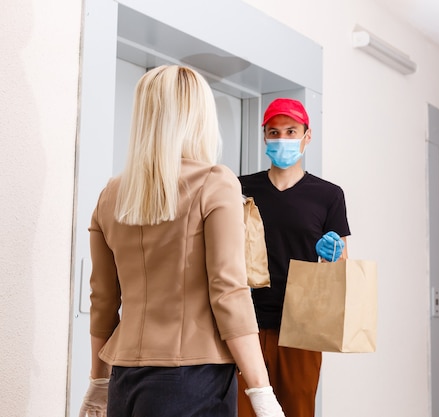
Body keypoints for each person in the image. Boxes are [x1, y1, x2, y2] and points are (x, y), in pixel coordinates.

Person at [78, 65, 284, 417]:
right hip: (193, 380)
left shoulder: (112, 194)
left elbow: (103, 300)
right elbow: (229, 293)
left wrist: (98, 384)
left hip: (124, 380)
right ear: (199, 117)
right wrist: (261, 392)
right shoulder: (214, 183)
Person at [237, 98, 351, 417]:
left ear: (307, 135)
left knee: (297, 409)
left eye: (291, 131)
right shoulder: (241, 188)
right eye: (274, 132)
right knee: (241, 410)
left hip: (301, 325)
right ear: (264, 137)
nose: (282, 139)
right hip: (246, 320)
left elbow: (340, 267)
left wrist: (333, 254)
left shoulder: (328, 195)